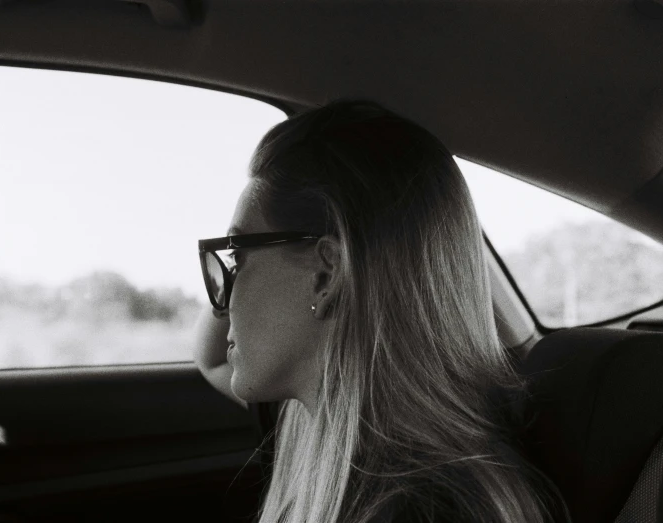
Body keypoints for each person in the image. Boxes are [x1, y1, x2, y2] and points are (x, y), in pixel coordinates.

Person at [193, 100, 570, 523]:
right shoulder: (313, 421)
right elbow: (211, 359)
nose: (221, 300)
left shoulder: (428, 511)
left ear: (326, 273)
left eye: (238, 260)